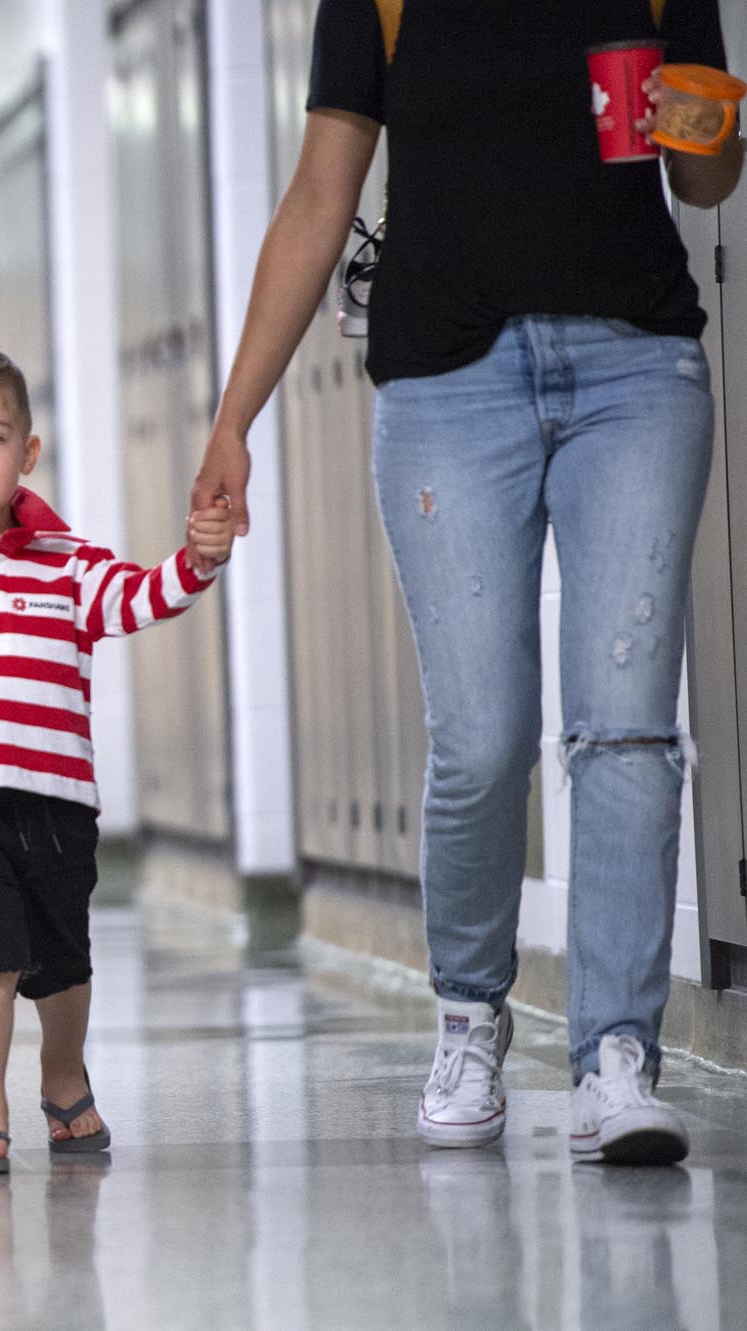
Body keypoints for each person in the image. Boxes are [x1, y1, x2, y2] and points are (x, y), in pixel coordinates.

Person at [192, 1, 740, 1163]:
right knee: (481, 735)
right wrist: (232, 418)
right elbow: (316, 197)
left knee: (625, 732)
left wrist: (694, 125)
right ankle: (467, 1016)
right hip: (448, 382)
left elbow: (702, 188)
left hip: (633, 366)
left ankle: (614, 1057)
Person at [0, 347, 235, 1173]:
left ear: (27, 453)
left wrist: (199, 559)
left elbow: (141, 597)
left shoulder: (69, 563)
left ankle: (62, 1070)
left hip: (57, 797)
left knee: (62, 957)